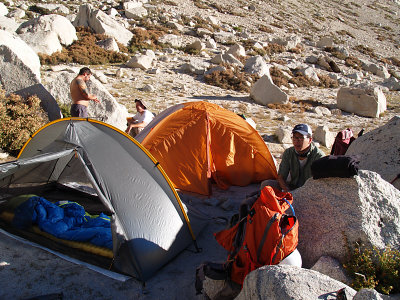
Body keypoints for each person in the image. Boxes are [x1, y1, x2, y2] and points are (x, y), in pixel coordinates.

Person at [261, 124, 325, 192]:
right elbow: (281, 176)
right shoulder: (289, 153)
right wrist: (286, 190)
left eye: (301, 138)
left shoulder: (318, 156)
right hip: (291, 186)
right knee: (267, 184)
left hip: (309, 191)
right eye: (294, 137)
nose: (296, 141)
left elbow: (320, 183)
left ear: (310, 140)